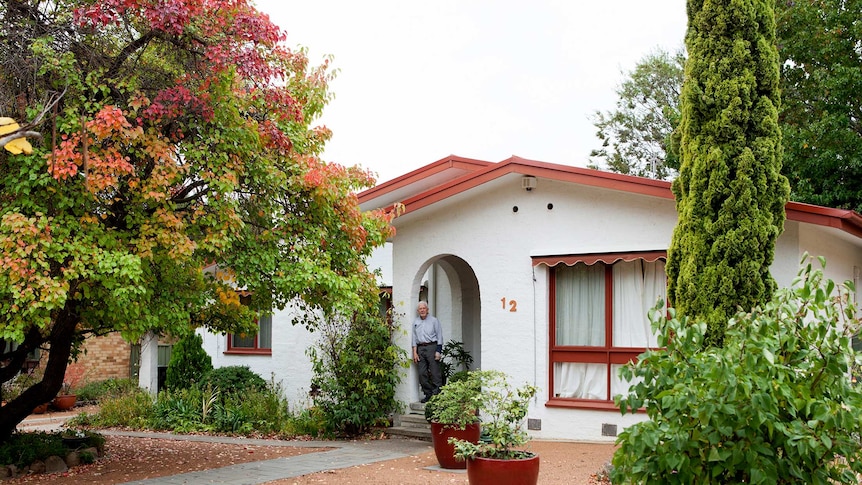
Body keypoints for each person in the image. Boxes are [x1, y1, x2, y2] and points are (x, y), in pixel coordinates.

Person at [412, 301, 443, 403]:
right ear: (418, 311)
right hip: (420, 349)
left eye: (424, 308)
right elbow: (414, 338)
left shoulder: (434, 321)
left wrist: (438, 351)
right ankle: (428, 394)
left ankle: (437, 395)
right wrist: (414, 352)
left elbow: (439, 336)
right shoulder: (416, 322)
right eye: (420, 309)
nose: (422, 310)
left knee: (435, 372)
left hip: (432, 347)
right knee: (421, 373)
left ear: (427, 309)